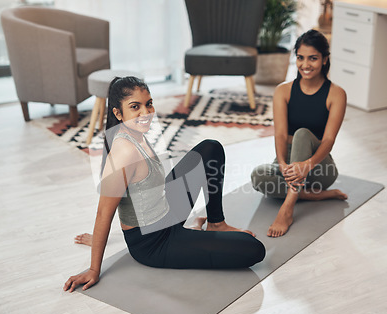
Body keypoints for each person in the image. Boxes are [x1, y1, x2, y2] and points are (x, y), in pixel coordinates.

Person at [64, 76, 265, 292]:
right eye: (135, 107)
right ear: (118, 113)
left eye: (148, 103)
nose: (146, 112)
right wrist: (94, 269)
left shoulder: (137, 132)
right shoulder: (123, 151)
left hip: (165, 211)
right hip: (154, 243)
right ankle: (194, 231)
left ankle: (216, 223)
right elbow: (105, 212)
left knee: (210, 148)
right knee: (254, 249)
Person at [251, 29, 348, 238]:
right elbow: (280, 135)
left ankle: (288, 207)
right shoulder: (283, 91)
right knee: (258, 176)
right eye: (300, 58)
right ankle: (315, 196)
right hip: (290, 167)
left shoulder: (336, 94)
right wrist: (283, 164)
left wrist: (307, 164)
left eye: (313, 58)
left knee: (303, 133)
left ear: (324, 60)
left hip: (319, 168)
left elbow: (329, 139)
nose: (305, 65)